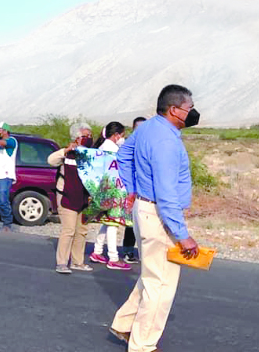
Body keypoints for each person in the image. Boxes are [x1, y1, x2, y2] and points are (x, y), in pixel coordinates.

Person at [110, 85, 200, 351]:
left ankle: (125, 324)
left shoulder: (148, 128)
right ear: (174, 110)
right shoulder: (166, 142)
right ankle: (143, 346)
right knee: (161, 284)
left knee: (151, 274)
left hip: (144, 208)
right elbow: (167, 194)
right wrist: (183, 235)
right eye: (189, 107)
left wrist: (132, 187)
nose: (193, 112)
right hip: (160, 215)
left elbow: (123, 155)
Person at [50, 122, 94, 274]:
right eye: (85, 136)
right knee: (68, 230)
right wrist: (65, 150)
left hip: (83, 198)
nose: (89, 138)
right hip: (67, 196)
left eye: (90, 136)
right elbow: (51, 161)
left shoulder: (91, 154)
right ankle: (62, 263)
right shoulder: (67, 153)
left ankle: (77, 262)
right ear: (76, 138)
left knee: (81, 231)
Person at [88, 121, 132, 272]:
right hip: (113, 191)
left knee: (107, 221)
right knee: (113, 223)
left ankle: (97, 251)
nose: (122, 138)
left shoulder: (101, 148)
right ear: (116, 135)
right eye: (122, 135)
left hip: (102, 190)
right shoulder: (114, 150)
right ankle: (113, 258)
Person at [120, 116, 149, 263]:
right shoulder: (128, 147)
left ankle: (145, 254)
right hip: (131, 190)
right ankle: (128, 251)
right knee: (131, 224)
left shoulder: (149, 145)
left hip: (145, 191)